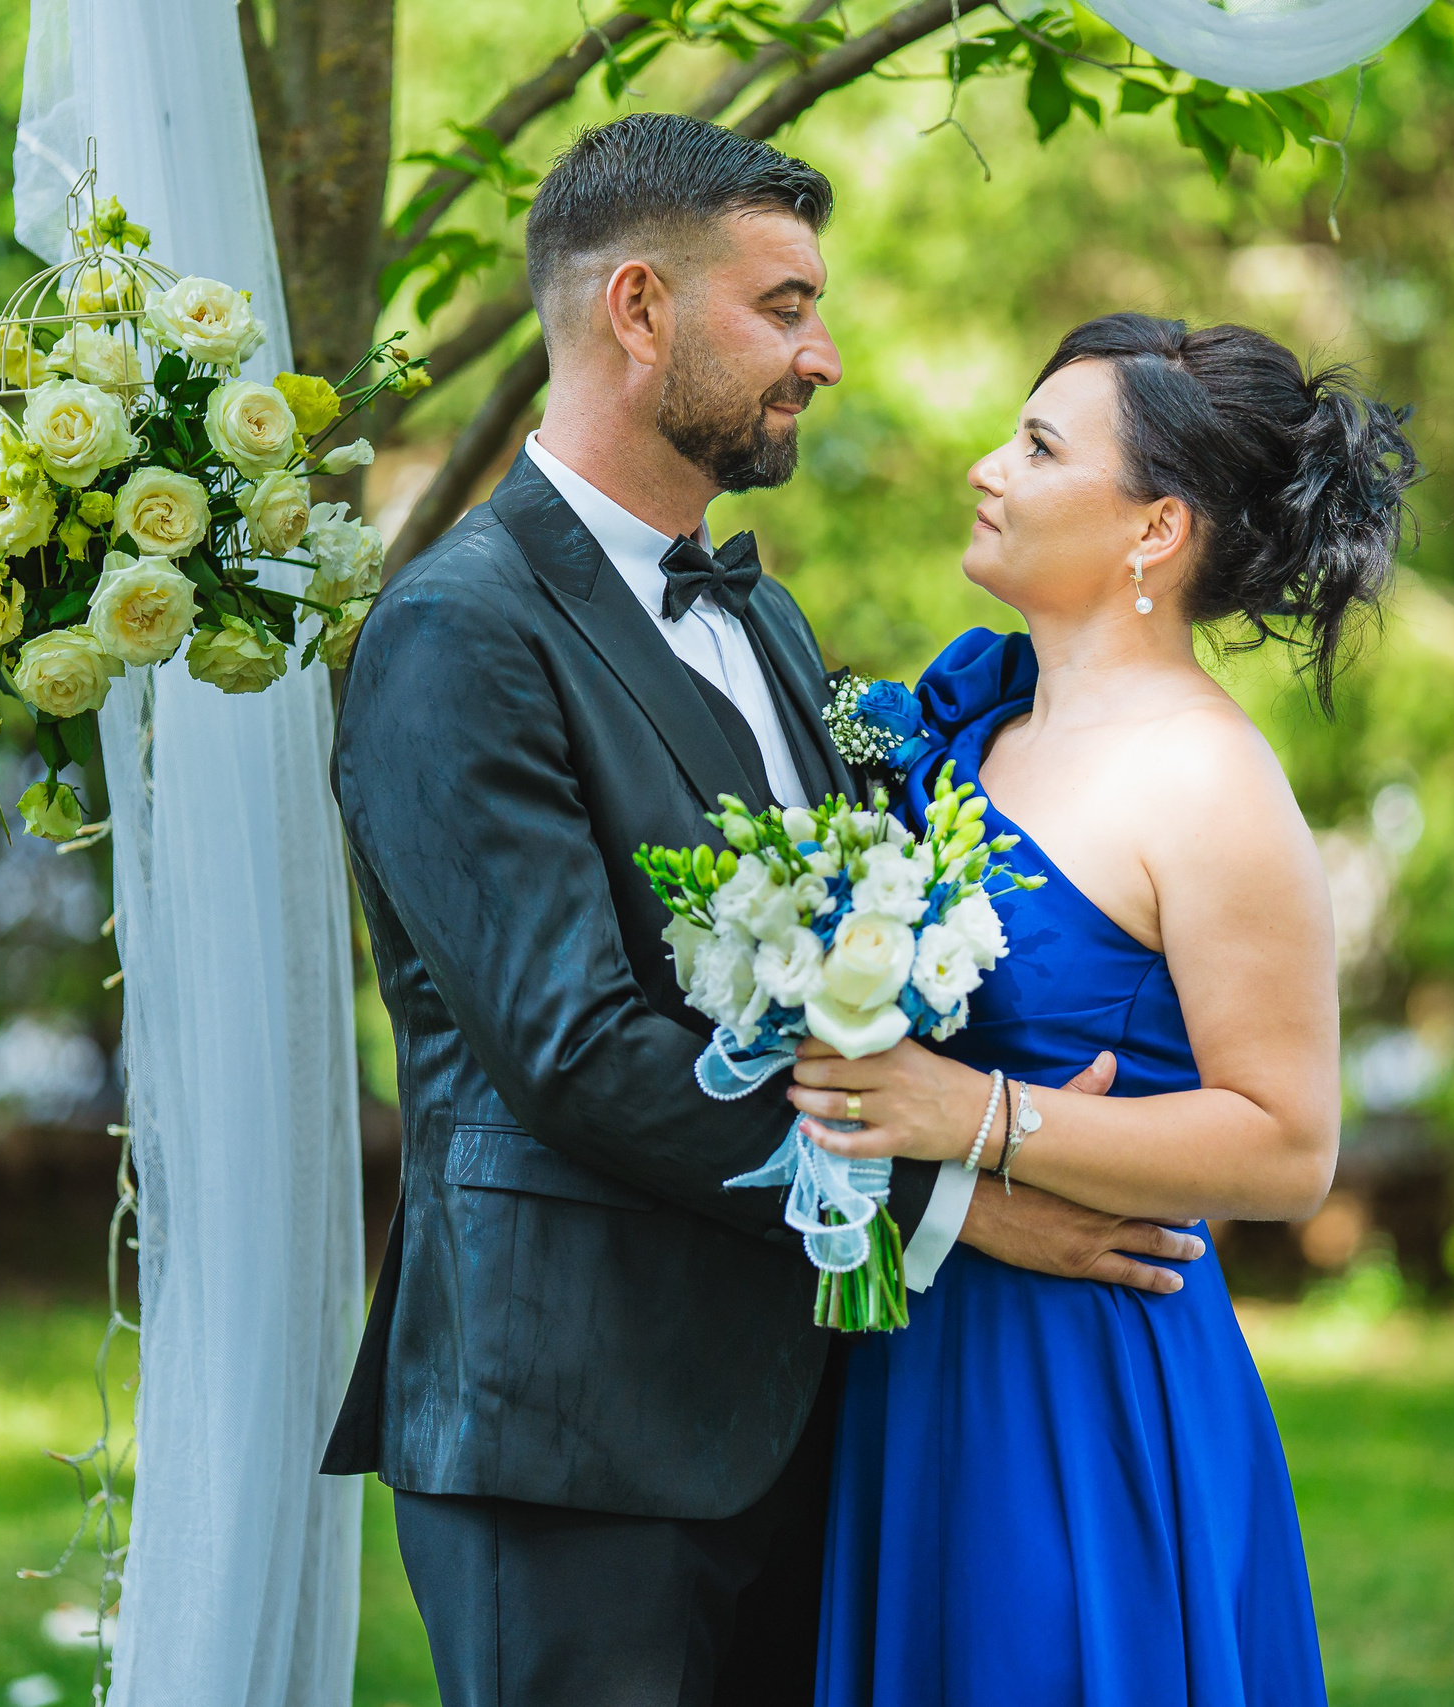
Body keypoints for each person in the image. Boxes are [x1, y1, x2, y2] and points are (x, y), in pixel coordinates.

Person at [322, 115, 1199, 1706]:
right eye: (784, 308)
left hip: (816, 1415)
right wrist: (951, 1203)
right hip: (574, 1430)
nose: (825, 356)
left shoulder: (767, 620)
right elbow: (577, 1047)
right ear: (639, 309)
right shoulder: (459, 630)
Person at [788, 313, 1419, 1706]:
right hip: (918, 1352)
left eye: (1037, 447)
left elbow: (1287, 1145)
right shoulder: (978, 730)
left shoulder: (1208, 780)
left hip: (1082, 1378)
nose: (985, 468)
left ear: (1155, 530)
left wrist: (974, 1114)